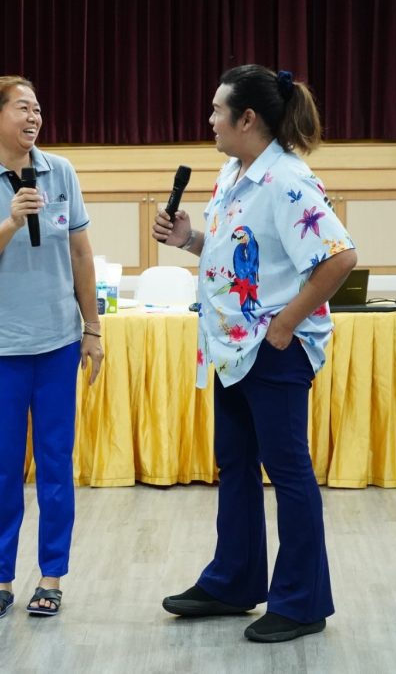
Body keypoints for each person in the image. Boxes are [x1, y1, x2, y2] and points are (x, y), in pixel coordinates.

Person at [153, 65, 357, 643]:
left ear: (248, 119)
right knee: (236, 466)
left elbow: (338, 257)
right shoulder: (233, 173)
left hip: (272, 349)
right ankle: (234, 581)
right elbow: (236, 256)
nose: (210, 119)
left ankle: (301, 602)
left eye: (218, 110)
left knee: (289, 473)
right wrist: (189, 238)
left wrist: (287, 324)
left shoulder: (288, 181)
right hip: (231, 348)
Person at [0, 76, 102, 619]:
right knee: (4, 466)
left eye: (38, 108)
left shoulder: (60, 171)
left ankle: (52, 575)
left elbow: (81, 255)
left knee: (58, 464)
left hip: (58, 341)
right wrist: (10, 222)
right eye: (22, 108)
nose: (33, 117)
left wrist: (93, 328)